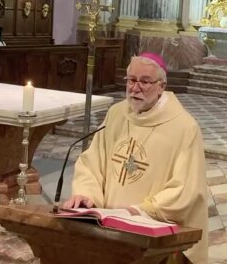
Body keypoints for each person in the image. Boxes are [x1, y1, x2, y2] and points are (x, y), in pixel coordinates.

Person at [63, 53, 208, 263]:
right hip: (108, 228)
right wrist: (87, 194)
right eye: (131, 80)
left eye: (145, 81)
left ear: (162, 86)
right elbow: (92, 162)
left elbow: (186, 189)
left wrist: (138, 211)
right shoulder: (116, 114)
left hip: (152, 235)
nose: (135, 87)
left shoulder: (184, 127)